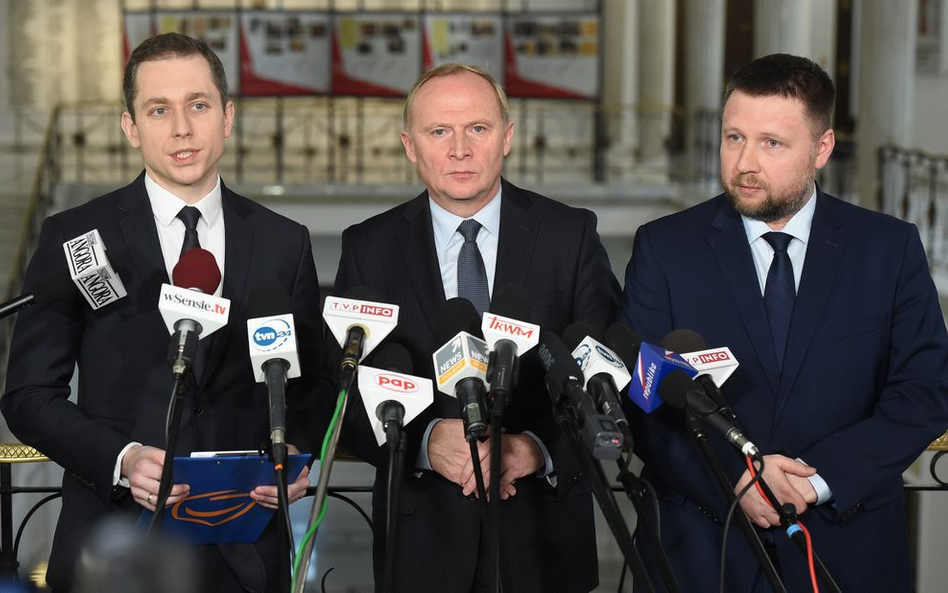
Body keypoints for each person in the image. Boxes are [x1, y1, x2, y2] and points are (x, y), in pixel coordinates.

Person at [1, 33, 332, 592]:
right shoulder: (77, 236)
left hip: (244, 553)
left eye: (198, 105)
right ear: (131, 127)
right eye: (160, 110)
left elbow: (310, 385)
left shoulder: (285, 242)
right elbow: (28, 396)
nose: (182, 128)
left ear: (226, 116)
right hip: (111, 549)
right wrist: (123, 460)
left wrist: (294, 454)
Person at [621, 53, 948, 592]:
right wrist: (734, 482)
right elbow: (643, 395)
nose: (745, 161)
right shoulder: (664, 247)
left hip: (846, 551)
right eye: (734, 138)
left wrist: (815, 483)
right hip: (701, 554)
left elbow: (924, 393)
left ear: (822, 149)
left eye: (772, 143)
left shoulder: (889, 249)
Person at [334, 63, 619, 593]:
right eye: (439, 131)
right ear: (410, 145)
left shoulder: (570, 236)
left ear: (507, 137)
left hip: (545, 543)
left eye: (478, 129)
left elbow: (604, 375)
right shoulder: (367, 249)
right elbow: (345, 398)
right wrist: (421, 440)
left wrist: (534, 446)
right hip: (422, 551)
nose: (459, 149)